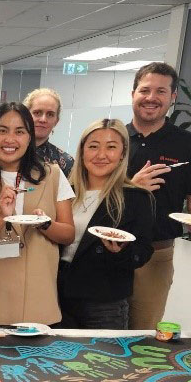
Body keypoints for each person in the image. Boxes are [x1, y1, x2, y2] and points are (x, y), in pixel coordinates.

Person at [0, 102, 75, 326]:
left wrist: (45, 224)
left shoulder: (53, 175)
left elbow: (68, 234)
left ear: (30, 137)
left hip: (38, 299)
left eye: (20, 132)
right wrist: (1, 217)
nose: (10, 139)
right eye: (2, 130)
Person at [126, 62, 191, 331]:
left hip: (156, 255)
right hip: (104, 249)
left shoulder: (190, 146)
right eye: (145, 90)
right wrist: (131, 186)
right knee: (98, 328)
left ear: (172, 97)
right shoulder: (113, 139)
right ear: (133, 94)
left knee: (142, 333)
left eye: (161, 91)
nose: (151, 98)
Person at [58, 119, 155, 329]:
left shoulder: (135, 197)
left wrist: (119, 252)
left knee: (102, 352)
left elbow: (143, 252)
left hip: (104, 302)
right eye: (93, 146)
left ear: (122, 154)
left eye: (111, 147)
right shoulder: (64, 192)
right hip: (57, 297)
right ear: (82, 151)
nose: (101, 155)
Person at [23, 87, 74, 175]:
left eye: (50, 114)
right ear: (25, 116)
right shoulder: (9, 152)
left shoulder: (66, 163)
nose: (43, 120)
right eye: (37, 113)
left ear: (56, 121)